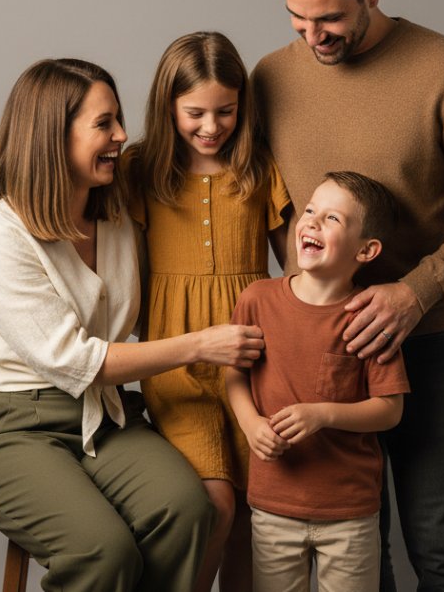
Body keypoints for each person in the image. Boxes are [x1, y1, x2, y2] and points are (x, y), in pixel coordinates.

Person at [252, 0, 444, 591]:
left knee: (438, 543)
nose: (312, 37)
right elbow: (263, 202)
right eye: (297, 20)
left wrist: (416, 291)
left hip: (428, 342)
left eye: (329, 20)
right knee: (357, 551)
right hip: (323, 353)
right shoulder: (269, 78)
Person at [0, 58, 266, 592]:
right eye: (104, 124)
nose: (123, 135)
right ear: (54, 136)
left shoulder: (117, 212)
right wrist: (200, 346)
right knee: (103, 552)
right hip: (10, 426)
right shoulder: (1, 233)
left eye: (118, 119)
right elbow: (78, 362)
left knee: (190, 513)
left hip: (106, 418)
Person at [123, 31, 291, 592]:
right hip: (176, 366)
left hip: (254, 363)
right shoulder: (138, 171)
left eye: (226, 111)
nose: (212, 126)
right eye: (195, 112)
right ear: (168, 105)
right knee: (214, 503)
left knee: (252, 514)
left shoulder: (259, 168)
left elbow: (294, 272)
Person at [226, 171, 410, 592]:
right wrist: (251, 424)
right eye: (310, 211)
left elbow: (389, 409)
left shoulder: (369, 317)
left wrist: (322, 415)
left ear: (367, 250)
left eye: (333, 219)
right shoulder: (257, 300)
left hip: (349, 512)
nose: (311, 222)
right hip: (274, 505)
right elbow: (234, 376)